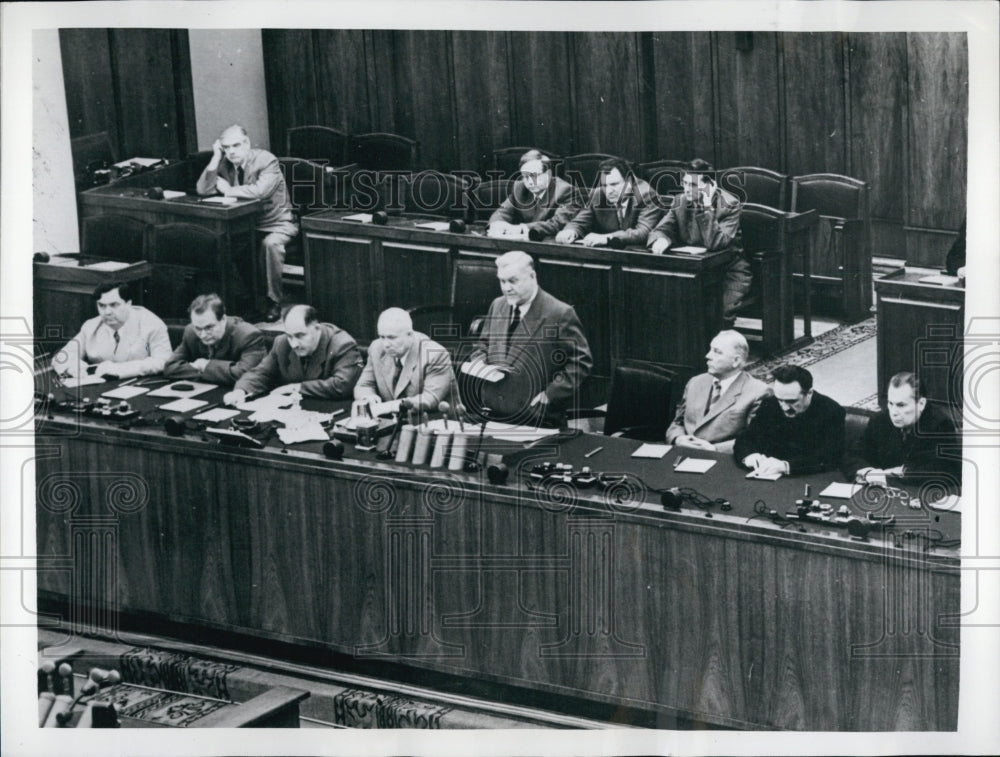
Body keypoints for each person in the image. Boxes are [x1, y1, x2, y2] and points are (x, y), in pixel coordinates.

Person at [467, 250, 592, 425]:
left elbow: (581, 362)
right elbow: (483, 343)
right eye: (502, 281)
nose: (506, 288)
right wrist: (479, 361)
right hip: (493, 411)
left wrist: (550, 394)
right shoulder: (498, 304)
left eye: (513, 281)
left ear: (532, 276)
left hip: (536, 417)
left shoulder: (559, 313)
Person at [196, 124, 298, 322]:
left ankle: (272, 301)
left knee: (270, 244)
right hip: (245, 226)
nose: (232, 151)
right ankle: (245, 300)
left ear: (247, 143)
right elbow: (203, 189)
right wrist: (216, 157)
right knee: (222, 246)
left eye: (236, 145)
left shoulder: (266, 160)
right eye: (226, 147)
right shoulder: (224, 163)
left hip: (277, 223)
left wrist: (228, 190)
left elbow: (260, 192)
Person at [647, 159, 749, 326]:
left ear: (709, 186)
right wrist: (661, 239)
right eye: (685, 183)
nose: (686, 189)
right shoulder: (680, 201)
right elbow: (660, 229)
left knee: (718, 313)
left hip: (727, 271)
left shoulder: (729, 205)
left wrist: (707, 207)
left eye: (693, 185)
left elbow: (716, 243)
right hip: (693, 268)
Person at [223, 304, 363, 405]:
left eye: (300, 335)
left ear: (317, 328)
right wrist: (241, 391)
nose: (294, 344)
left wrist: (297, 387)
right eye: (290, 336)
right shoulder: (282, 343)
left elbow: (342, 386)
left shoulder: (342, 344)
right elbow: (261, 373)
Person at [842, 372, 962, 484]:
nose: (893, 412)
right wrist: (867, 472)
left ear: (921, 404)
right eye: (890, 403)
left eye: (901, 405)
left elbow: (947, 470)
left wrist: (899, 473)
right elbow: (853, 454)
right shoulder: (880, 420)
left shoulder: (939, 425)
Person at [665, 330, 769, 453]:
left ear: (736, 361)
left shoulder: (759, 392)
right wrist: (678, 438)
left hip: (723, 460)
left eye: (717, 352)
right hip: (682, 453)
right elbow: (678, 421)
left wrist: (715, 449)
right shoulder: (696, 382)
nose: (708, 356)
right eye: (710, 349)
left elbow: (755, 439)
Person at [734, 364, 845, 476]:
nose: (785, 407)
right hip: (766, 475)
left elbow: (830, 457)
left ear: (809, 393)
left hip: (804, 478)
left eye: (792, 401)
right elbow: (746, 438)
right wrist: (749, 456)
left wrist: (786, 466)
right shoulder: (770, 404)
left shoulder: (831, 411)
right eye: (780, 400)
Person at [52, 281, 171, 379]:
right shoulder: (91, 326)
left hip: (137, 385)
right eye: (102, 305)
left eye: (114, 305)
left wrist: (120, 369)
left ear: (129, 303)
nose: (107, 312)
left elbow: (163, 361)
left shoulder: (152, 324)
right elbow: (62, 356)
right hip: (99, 387)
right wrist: (72, 367)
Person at [354, 307, 455, 412]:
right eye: (382, 337)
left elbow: (429, 399)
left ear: (410, 335)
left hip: (435, 421)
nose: (386, 344)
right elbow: (364, 385)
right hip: (395, 422)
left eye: (392, 337)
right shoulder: (376, 348)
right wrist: (368, 398)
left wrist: (386, 407)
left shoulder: (435, 354)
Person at [554, 157, 663, 248]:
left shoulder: (647, 195)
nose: (609, 191)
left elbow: (643, 232)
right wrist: (570, 231)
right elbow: (580, 221)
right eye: (605, 185)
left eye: (614, 184)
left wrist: (607, 238)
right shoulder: (599, 194)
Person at [163, 293, 266, 386]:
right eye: (198, 328)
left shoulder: (249, 335)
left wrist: (205, 366)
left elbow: (248, 374)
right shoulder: (190, 332)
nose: (203, 335)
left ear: (223, 319)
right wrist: (208, 372)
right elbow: (170, 368)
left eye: (209, 328)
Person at [487, 150, 581, 240]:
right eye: (526, 177)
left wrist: (520, 228)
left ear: (548, 174)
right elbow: (502, 212)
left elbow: (557, 224)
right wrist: (497, 224)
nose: (531, 182)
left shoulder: (565, 191)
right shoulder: (519, 188)